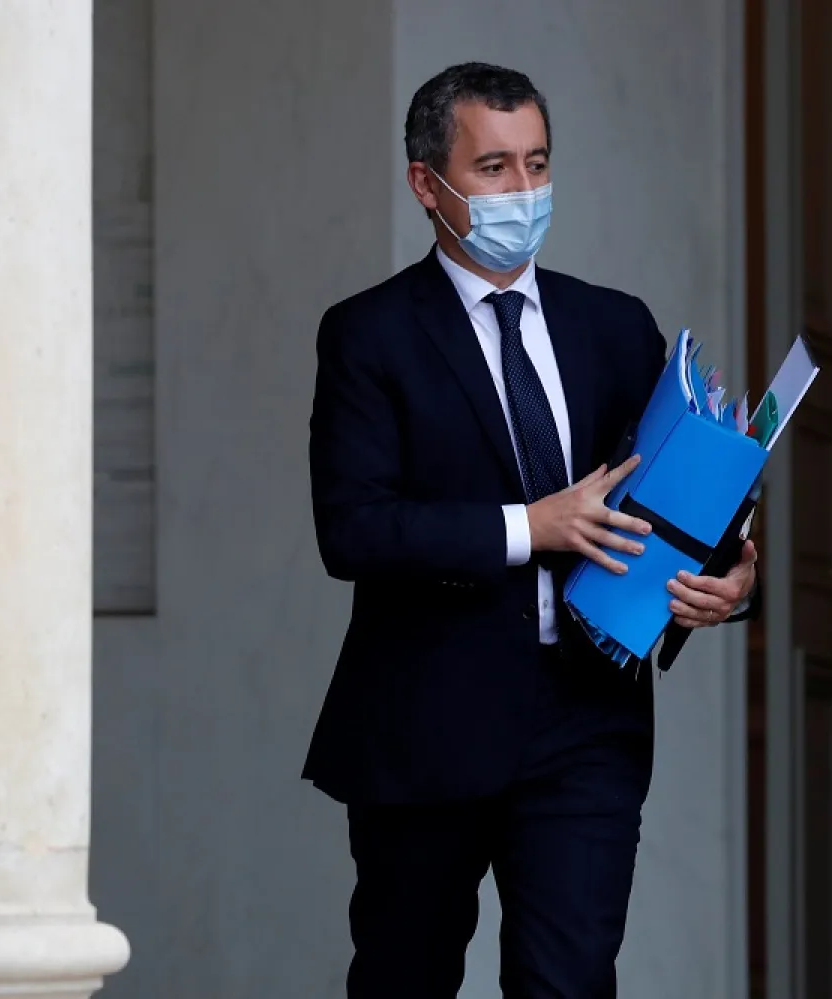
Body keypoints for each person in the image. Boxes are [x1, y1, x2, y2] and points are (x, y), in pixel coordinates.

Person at [303, 62, 759, 998]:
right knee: (404, 979)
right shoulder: (368, 335)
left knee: (570, 983)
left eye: (538, 164)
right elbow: (353, 530)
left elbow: (674, 498)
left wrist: (735, 579)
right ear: (427, 184)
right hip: (426, 727)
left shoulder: (615, 325)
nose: (524, 191)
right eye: (495, 168)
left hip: (587, 721)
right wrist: (530, 526)